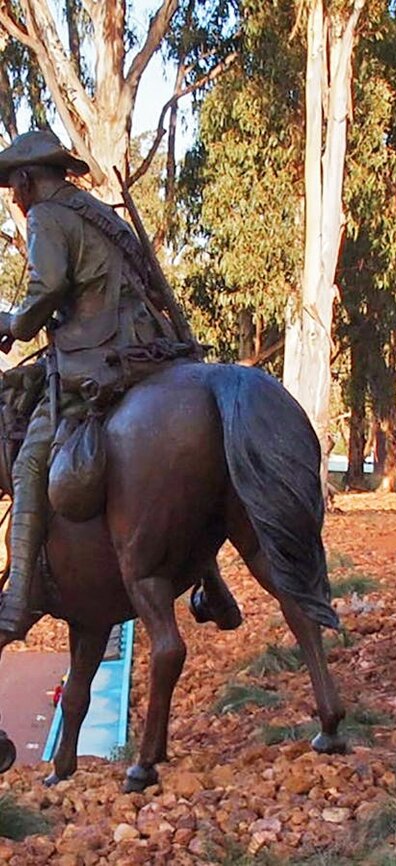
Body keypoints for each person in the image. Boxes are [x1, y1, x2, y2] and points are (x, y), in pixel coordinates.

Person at [0, 130, 241, 638]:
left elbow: (47, 289)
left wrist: (13, 324)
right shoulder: (101, 214)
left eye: (13, 187)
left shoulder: (48, 216)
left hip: (98, 361)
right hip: (154, 352)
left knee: (30, 459)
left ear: (26, 178)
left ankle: (18, 593)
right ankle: (211, 580)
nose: (14, 197)